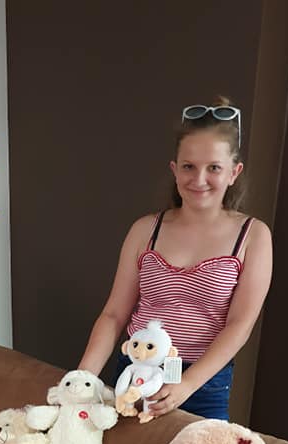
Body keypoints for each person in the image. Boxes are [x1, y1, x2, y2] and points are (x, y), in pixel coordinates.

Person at [78, 98, 273, 420]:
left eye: (213, 168)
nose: (199, 179)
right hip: (136, 373)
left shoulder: (254, 236)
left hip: (204, 385)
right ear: (174, 168)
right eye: (188, 166)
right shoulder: (145, 230)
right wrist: (82, 379)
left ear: (234, 172)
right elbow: (113, 315)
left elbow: (240, 325)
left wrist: (187, 384)